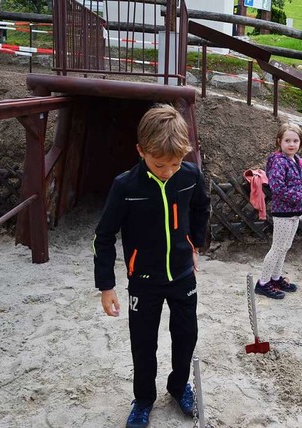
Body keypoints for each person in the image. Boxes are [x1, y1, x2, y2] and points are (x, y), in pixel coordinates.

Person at [93, 104, 210, 428]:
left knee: (186, 335)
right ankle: (143, 399)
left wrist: (195, 244)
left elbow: (201, 207)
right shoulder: (125, 186)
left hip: (183, 274)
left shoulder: (189, 175)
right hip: (143, 280)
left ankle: (178, 387)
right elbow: (104, 236)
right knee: (143, 342)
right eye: (159, 164)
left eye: (174, 163)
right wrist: (106, 286)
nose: (168, 171)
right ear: (140, 151)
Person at [255, 123, 302, 299]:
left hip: (296, 211)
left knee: (285, 247)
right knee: (277, 247)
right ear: (279, 142)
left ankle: (275, 277)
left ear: (300, 143)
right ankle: (263, 283)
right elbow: (277, 188)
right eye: (287, 140)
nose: (291, 144)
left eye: (295, 141)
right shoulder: (278, 162)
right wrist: (301, 198)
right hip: (283, 212)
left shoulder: (299, 161)